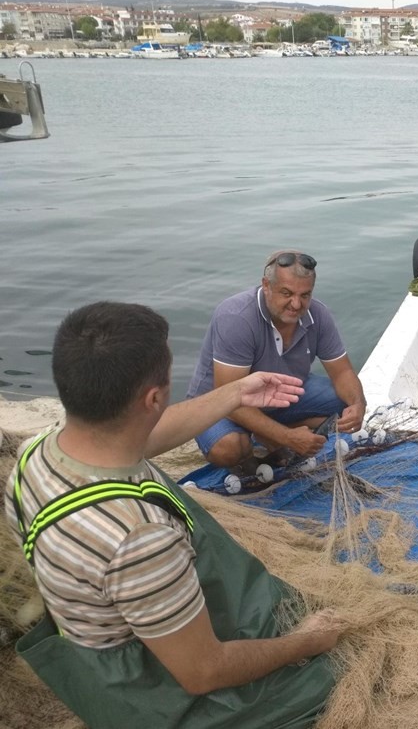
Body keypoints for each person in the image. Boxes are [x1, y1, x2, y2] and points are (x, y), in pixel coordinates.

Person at [5, 301, 342, 728]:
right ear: (154, 398)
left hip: (96, 630)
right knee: (333, 674)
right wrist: (306, 642)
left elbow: (149, 432)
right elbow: (205, 671)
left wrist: (235, 393)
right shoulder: (138, 537)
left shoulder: (38, 452)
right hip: (152, 690)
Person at [187, 250, 366, 470]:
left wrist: (358, 405)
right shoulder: (236, 317)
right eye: (286, 293)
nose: (296, 304)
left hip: (281, 393)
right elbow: (229, 400)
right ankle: (271, 435)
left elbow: (342, 373)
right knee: (229, 449)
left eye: (305, 295)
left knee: (345, 404)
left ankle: (270, 432)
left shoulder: (318, 314)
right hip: (221, 403)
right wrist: (287, 438)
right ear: (266, 285)